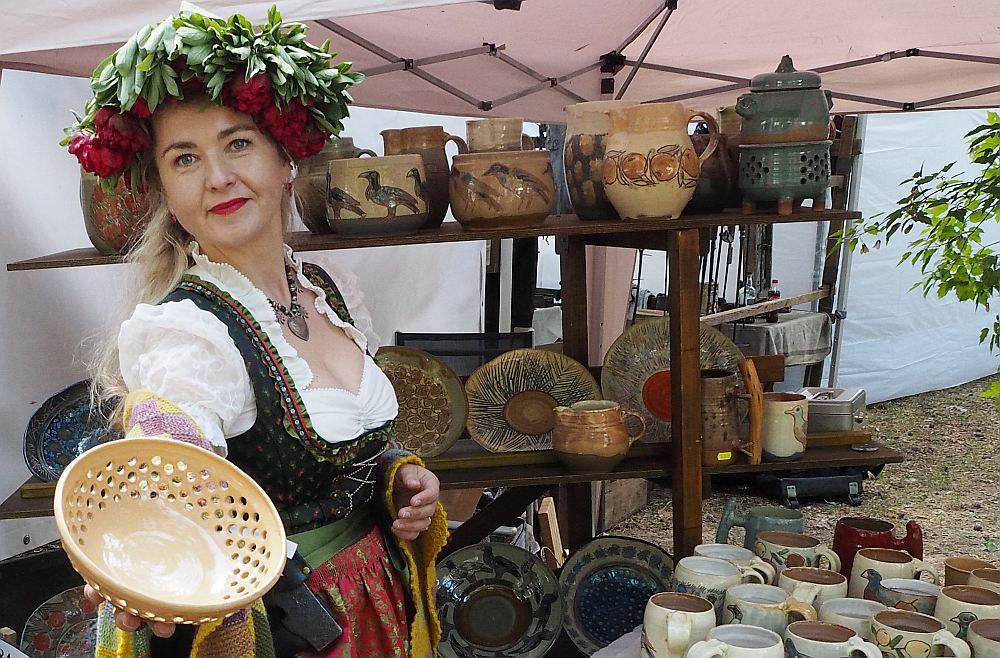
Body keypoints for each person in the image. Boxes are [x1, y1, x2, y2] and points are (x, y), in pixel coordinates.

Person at [64, 7, 447, 658]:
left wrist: (396, 477)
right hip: (288, 630)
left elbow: (326, 440)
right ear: (167, 190)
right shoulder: (188, 335)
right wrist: (135, 555)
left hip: (371, 598)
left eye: (237, 143)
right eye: (186, 159)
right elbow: (167, 470)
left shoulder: (329, 291)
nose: (217, 177)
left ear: (284, 161)